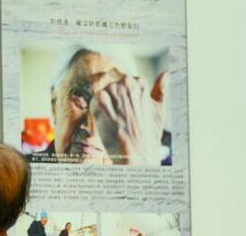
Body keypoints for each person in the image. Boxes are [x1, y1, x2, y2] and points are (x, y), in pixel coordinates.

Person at [31, 48, 171, 165]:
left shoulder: (151, 166)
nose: (91, 128)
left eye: (111, 105)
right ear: (54, 105)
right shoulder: (22, 173)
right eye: (80, 100)